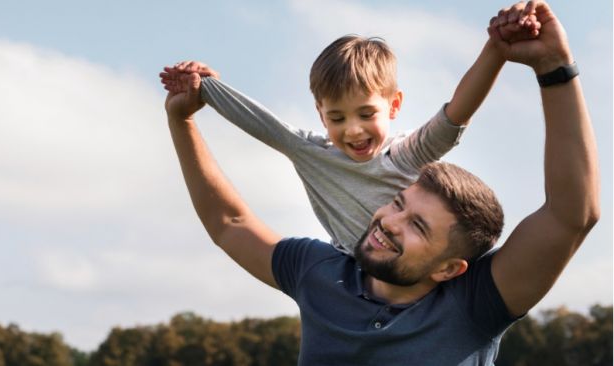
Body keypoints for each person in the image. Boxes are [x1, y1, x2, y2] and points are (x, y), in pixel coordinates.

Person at [164, 1, 599, 364]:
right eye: (397, 203)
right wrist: (181, 119)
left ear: (450, 268)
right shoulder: (318, 273)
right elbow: (230, 223)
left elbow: (571, 215)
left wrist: (554, 67)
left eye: (419, 227)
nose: (391, 222)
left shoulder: (477, 305)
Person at [159, 17, 540, 256]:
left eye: (366, 113)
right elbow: (260, 122)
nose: (353, 130)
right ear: (320, 113)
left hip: (427, 275)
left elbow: (457, 111)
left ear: (393, 107)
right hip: (356, 277)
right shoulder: (311, 152)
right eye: (337, 117)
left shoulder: (406, 156)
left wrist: (497, 49)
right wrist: (203, 86)